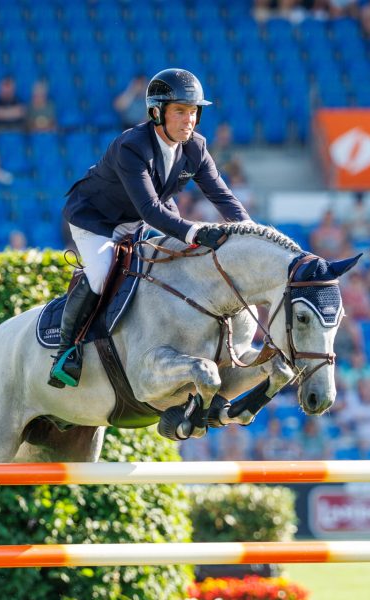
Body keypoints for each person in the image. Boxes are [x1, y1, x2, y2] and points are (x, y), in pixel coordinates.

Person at [53, 68, 250, 388]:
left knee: (179, 260)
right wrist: (196, 232)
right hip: (98, 219)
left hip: (145, 217)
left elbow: (221, 195)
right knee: (103, 275)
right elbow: (150, 209)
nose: (189, 120)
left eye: (194, 112)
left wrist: (250, 232)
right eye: (180, 112)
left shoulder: (196, 147)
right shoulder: (131, 146)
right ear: (156, 113)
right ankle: (67, 350)